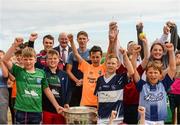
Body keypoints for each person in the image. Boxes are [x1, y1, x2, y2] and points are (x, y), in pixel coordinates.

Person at [3, 37, 64, 124]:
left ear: (35, 59)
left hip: (36, 111)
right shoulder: (18, 71)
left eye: (30, 59)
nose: (28, 62)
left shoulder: (41, 73)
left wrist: (57, 106)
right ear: (22, 59)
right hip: (21, 110)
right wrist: (15, 45)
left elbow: (47, 90)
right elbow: (5, 59)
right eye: (25, 59)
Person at [133, 42, 176, 124]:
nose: (153, 75)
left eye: (155, 73)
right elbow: (134, 69)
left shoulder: (164, 84)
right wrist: (135, 54)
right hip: (144, 120)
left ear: (160, 74)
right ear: (146, 73)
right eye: (150, 72)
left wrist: (171, 51)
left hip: (160, 120)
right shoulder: (141, 85)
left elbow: (173, 68)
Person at [68, 33, 106, 107]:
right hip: (85, 104)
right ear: (90, 57)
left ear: (101, 57)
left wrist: (112, 40)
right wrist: (71, 41)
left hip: (99, 104)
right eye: (93, 57)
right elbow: (76, 54)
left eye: (97, 57)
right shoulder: (86, 67)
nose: (95, 59)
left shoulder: (104, 67)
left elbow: (111, 52)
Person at [42, 49, 70, 124]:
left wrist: (66, 103)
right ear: (46, 60)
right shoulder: (42, 73)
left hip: (60, 110)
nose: (52, 60)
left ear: (59, 60)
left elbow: (68, 90)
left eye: (55, 58)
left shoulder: (64, 74)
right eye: (50, 58)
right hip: (46, 109)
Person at [66, 31, 91, 106]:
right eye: (80, 39)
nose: (82, 41)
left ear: (87, 40)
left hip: (88, 85)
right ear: (77, 40)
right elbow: (68, 70)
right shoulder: (71, 54)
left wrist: (84, 80)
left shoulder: (91, 53)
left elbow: (93, 69)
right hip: (74, 86)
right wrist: (77, 81)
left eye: (84, 38)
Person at [168, 50, 180, 124]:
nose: (178, 58)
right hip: (172, 93)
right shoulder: (171, 66)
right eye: (177, 56)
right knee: (173, 112)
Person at [0, 50, 9, 124]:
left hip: (2, 90)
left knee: (2, 115)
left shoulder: (5, 66)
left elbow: (5, 75)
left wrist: (2, 62)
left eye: (1, 55)